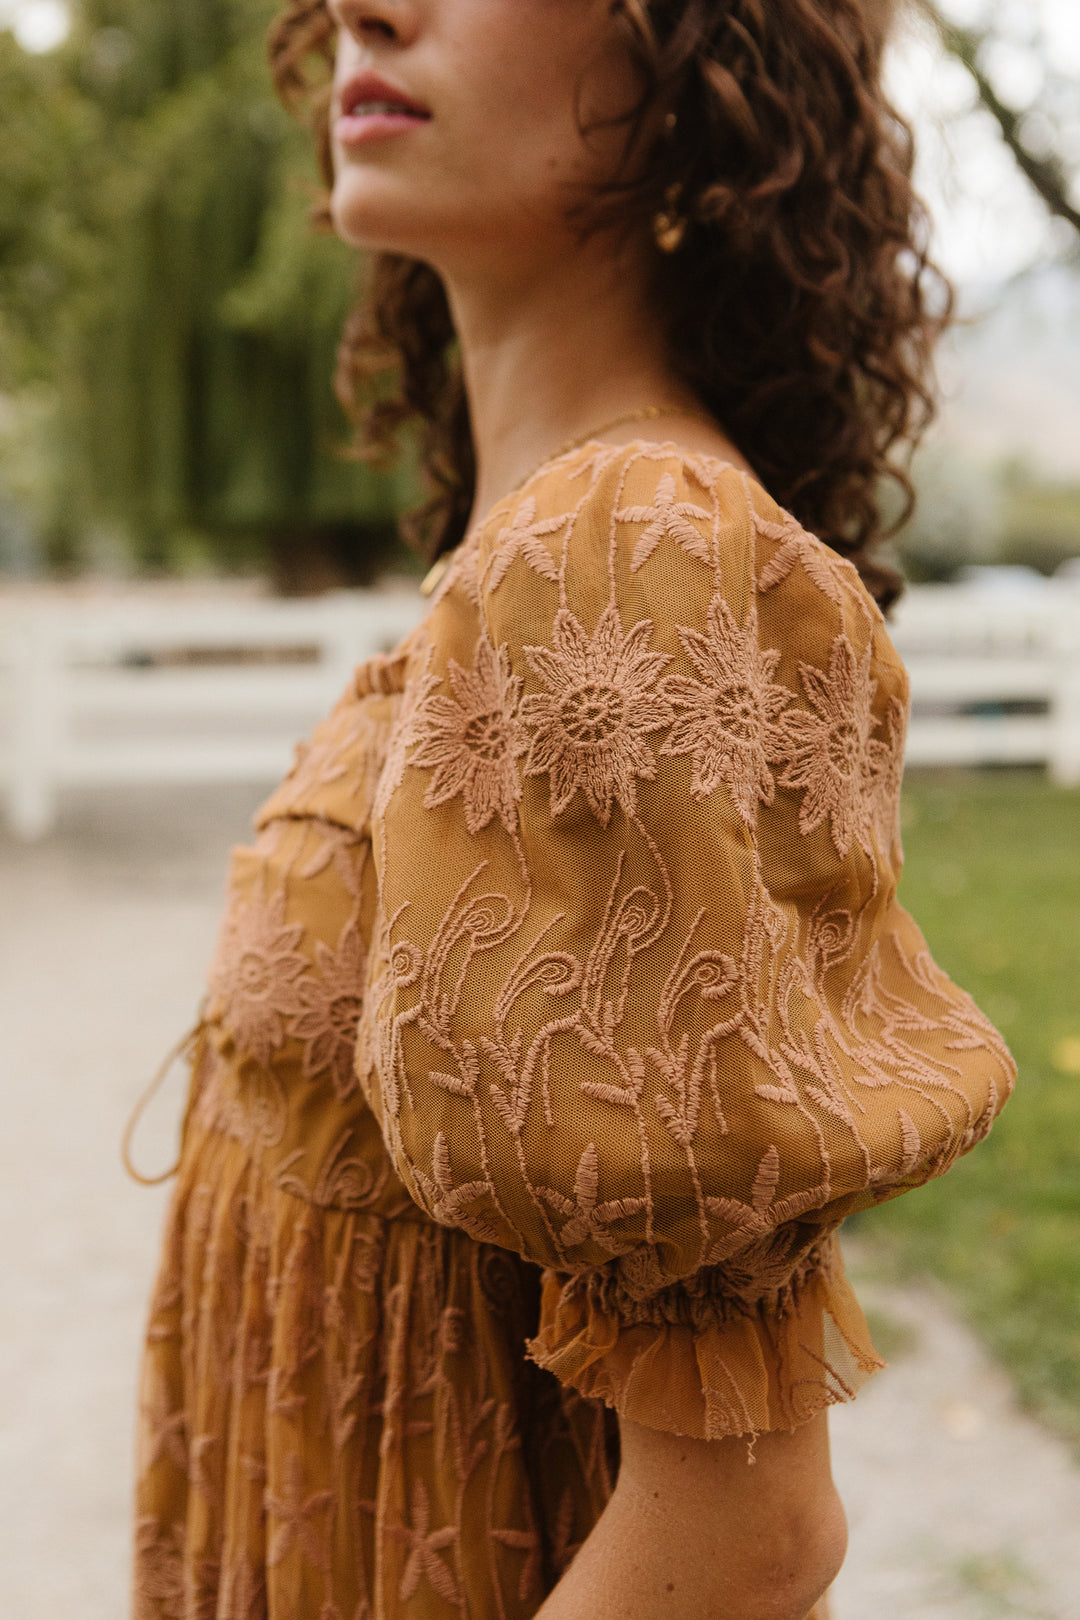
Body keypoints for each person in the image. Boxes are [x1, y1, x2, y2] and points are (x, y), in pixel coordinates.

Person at [130, 0, 1017, 1615]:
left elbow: (750, 1530)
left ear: (701, 75)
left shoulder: (618, 551)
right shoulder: (541, 546)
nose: (365, 11)